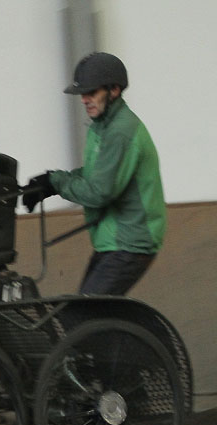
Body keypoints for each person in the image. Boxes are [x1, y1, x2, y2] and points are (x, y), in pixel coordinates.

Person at [23, 52, 165, 296]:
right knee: (90, 316)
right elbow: (94, 174)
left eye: (91, 93)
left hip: (129, 243)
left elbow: (99, 192)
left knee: (85, 318)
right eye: (82, 94)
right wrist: (52, 181)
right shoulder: (102, 126)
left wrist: (56, 182)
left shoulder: (120, 131)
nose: (84, 100)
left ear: (114, 90)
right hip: (114, 240)